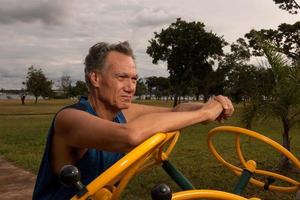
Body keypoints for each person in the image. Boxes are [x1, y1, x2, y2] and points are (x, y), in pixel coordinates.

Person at [33, 41, 234, 199]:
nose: (131, 87)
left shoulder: (121, 114)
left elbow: (175, 110)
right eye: (122, 77)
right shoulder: (69, 119)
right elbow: (130, 135)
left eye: (134, 79)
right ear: (95, 78)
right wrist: (205, 113)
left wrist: (213, 105)